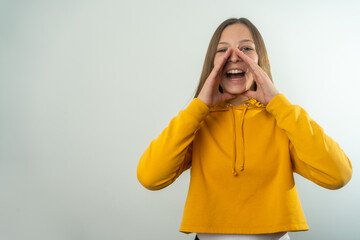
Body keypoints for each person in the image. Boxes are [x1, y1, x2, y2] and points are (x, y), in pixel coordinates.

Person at [137, 18, 353, 240]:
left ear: (261, 59)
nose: (234, 56)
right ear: (211, 62)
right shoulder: (197, 123)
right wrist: (199, 107)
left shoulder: (283, 120)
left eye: (246, 48)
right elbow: (150, 177)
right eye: (223, 50)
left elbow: (338, 175)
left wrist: (278, 103)